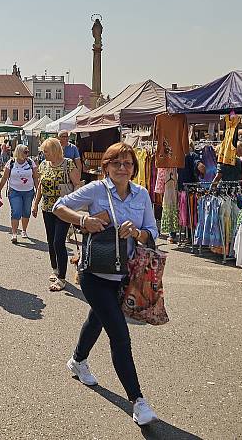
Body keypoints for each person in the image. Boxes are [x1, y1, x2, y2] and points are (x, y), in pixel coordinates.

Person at [52, 142, 159, 426]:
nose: (122, 168)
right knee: (120, 336)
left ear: (135, 168)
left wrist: (136, 232)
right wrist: (83, 219)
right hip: (94, 273)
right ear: (106, 167)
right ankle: (138, 401)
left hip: (126, 276)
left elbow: (152, 232)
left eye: (127, 163)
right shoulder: (97, 190)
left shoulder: (142, 195)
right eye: (116, 163)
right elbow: (58, 206)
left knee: (96, 319)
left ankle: (77, 360)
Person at [32, 138, 82, 290]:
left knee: (58, 242)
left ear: (54, 150)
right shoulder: (44, 164)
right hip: (47, 208)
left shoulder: (68, 164)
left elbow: (77, 185)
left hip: (64, 209)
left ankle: (61, 278)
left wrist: (73, 205)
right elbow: (41, 185)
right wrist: (35, 204)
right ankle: (55, 269)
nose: (43, 154)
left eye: (46, 151)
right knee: (50, 241)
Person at [0, 144, 39, 244]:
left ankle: (24, 230)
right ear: (19, 152)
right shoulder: (11, 162)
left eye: (28, 151)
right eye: (25, 152)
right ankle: (14, 233)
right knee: (16, 211)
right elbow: (4, 178)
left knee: (26, 212)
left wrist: (38, 191)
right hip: (14, 191)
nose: (27, 153)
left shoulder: (30, 162)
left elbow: (35, 177)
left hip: (28, 191)